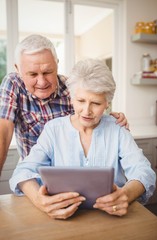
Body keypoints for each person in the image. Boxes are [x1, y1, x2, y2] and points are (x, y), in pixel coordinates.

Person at [9, 58, 156, 220]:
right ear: (71, 98)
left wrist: (126, 195)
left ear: (107, 103)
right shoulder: (53, 129)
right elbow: (22, 172)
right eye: (80, 101)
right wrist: (39, 200)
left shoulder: (117, 129)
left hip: (112, 218)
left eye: (96, 103)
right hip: (63, 220)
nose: (87, 111)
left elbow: (144, 172)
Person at [0, 34, 128, 175]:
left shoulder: (71, 89)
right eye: (33, 74)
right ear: (18, 69)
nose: (42, 82)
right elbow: (3, 131)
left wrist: (110, 121)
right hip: (33, 174)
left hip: (68, 176)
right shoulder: (13, 84)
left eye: (48, 72)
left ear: (57, 63)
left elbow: (91, 118)